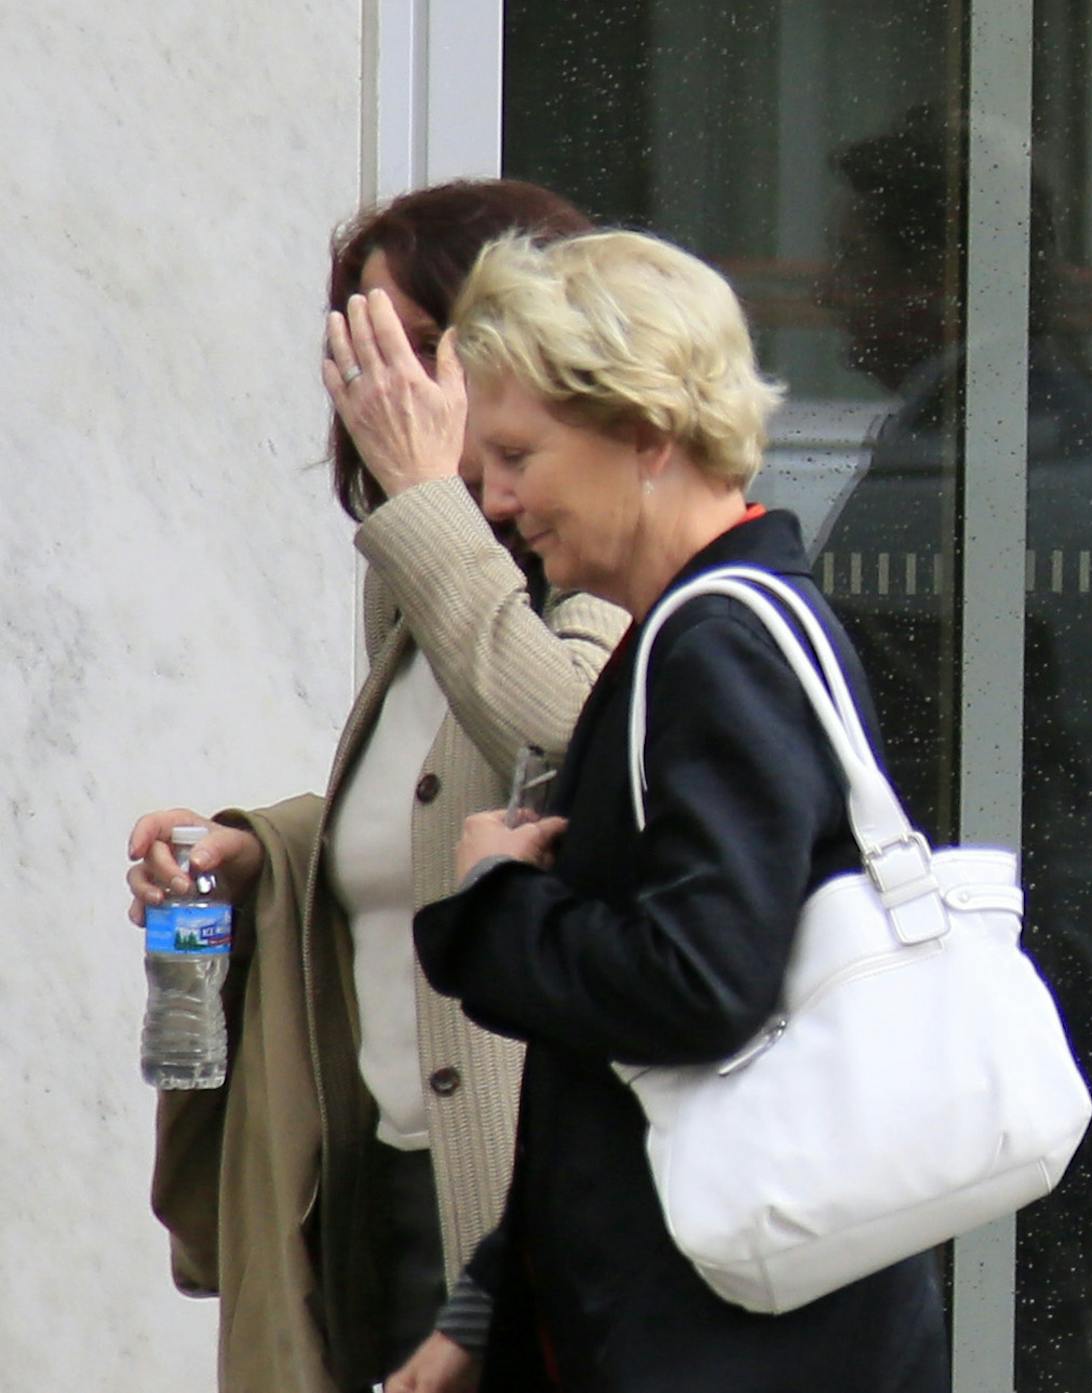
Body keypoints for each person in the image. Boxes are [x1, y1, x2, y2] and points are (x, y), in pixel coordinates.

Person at [394, 229, 947, 1393]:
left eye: (516, 455)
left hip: (725, 1340)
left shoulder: (713, 644)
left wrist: (496, 899)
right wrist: (493, 1301)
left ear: (647, 435)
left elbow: (697, 983)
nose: (495, 499)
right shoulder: (715, 626)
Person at [124, 180, 625, 1393]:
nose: (374, 389)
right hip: (384, 1171)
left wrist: (428, 503)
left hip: (530, 1208)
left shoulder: (608, 555)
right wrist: (260, 849)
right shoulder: (421, 571)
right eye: (355, 349)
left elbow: (565, 728)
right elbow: (428, 800)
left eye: (404, 349)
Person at [815, 105, 1092, 1389]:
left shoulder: (991, 446)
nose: (828, 288)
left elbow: (904, 724)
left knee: (1000, 1331)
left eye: (858, 258)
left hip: (1030, 961)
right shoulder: (1002, 424)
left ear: (941, 277)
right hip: (1057, 946)